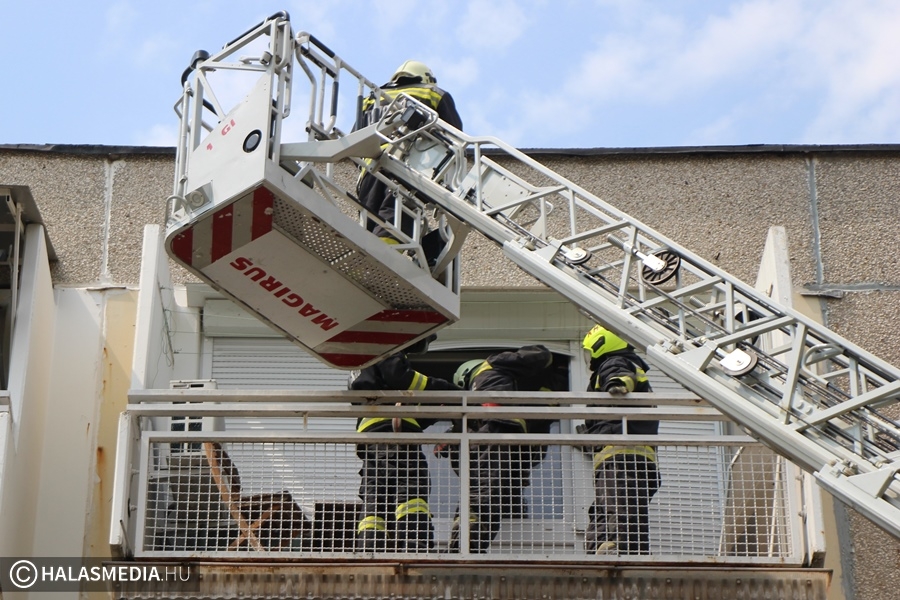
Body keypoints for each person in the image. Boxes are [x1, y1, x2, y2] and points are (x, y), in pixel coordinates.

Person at [446, 345, 567, 553]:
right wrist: (554, 362)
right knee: (490, 491)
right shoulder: (492, 366)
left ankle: (467, 541)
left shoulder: (472, 409)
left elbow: (465, 467)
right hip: (501, 437)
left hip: (500, 441)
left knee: (486, 489)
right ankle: (469, 540)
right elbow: (539, 356)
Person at [349, 335, 459, 552]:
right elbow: (401, 377)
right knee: (411, 490)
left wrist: (435, 410)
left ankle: (369, 549)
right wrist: (445, 389)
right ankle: (415, 547)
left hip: (372, 437)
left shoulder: (364, 362)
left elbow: (404, 409)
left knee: (376, 495)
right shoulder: (386, 347)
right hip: (394, 434)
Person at [356, 60, 463, 263]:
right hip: (408, 166)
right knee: (398, 216)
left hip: (369, 169)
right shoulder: (433, 93)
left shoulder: (372, 99)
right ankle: (382, 259)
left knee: (370, 219)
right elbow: (454, 138)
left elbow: (356, 137)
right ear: (427, 78)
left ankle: (365, 259)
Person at [579, 324, 661, 555]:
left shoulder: (614, 362)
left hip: (621, 454)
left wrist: (617, 384)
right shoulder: (624, 363)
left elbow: (620, 376)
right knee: (609, 507)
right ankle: (603, 548)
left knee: (618, 503)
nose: (588, 358)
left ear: (601, 344)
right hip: (625, 454)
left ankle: (619, 547)